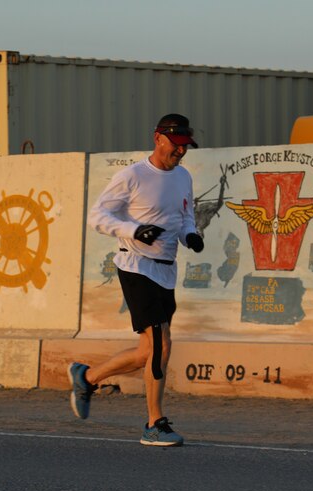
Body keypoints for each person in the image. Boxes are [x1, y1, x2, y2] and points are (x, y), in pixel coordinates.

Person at [68, 113, 204, 447]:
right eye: (176, 145)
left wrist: (191, 235)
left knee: (149, 350)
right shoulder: (132, 175)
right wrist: (133, 230)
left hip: (166, 268)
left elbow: (185, 215)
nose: (181, 152)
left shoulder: (183, 176)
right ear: (158, 138)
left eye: (186, 146)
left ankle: (87, 378)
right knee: (161, 343)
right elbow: (97, 216)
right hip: (135, 264)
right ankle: (154, 423)